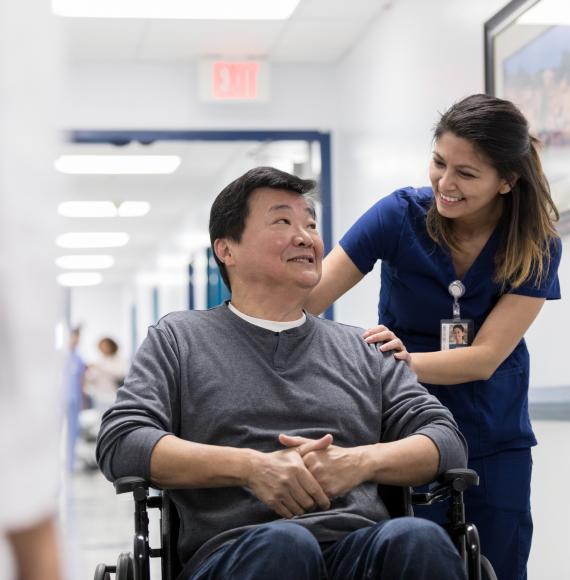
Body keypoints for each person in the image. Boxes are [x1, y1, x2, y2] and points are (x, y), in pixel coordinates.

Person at [97, 166, 468, 580]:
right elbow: (122, 441)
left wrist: (359, 462)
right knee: (286, 546)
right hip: (237, 554)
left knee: (419, 539)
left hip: (356, 548)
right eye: (282, 221)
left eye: (310, 224)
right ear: (227, 250)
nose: (305, 236)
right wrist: (252, 468)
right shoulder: (180, 340)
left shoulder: (366, 348)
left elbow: (445, 440)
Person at [305, 94, 562, 580]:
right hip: (403, 426)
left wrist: (401, 361)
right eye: (439, 162)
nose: (445, 184)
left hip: (493, 430)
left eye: (467, 174)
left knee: (499, 563)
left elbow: (485, 356)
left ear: (507, 181)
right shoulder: (398, 215)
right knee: (410, 558)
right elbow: (310, 299)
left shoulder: (535, 244)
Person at [85, 337, 128, 412]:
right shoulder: (100, 361)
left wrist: (99, 367)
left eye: (104, 346)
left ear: (111, 346)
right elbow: (91, 378)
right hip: (100, 396)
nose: (102, 349)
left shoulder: (119, 360)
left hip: (113, 396)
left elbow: (121, 373)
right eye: (100, 347)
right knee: (102, 419)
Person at [64, 326, 87, 473]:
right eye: (75, 336)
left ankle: (70, 465)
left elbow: (81, 379)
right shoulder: (60, 356)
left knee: (73, 432)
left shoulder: (78, 358)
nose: (77, 340)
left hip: (74, 398)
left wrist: (83, 399)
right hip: (61, 399)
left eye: (78, 337)